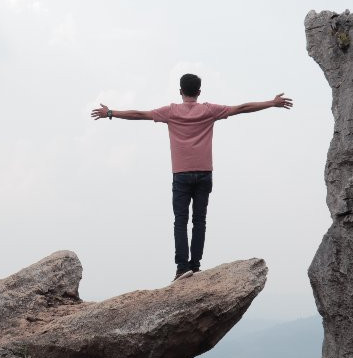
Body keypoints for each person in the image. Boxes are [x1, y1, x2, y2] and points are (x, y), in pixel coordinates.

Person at [90, 73, 292, 281]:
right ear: (199, 92)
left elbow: (139, 114)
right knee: (199, 221)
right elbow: (241, 108)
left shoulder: (171, 112)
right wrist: (272, 103)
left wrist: (110, 112)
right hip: (204, 173)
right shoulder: (209, 110)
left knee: (180, 221)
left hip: (181, 174)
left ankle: (181, 268)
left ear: (180, 91)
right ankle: (194, 267)